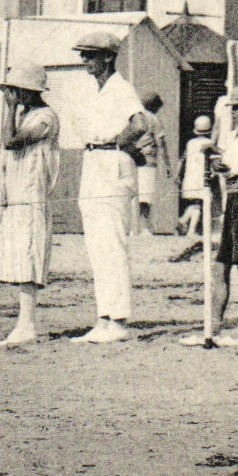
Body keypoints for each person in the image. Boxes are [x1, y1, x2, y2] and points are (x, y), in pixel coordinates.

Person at [0, 64, 61, 346]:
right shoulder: (22, 115)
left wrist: (8, 111)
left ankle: (26, 324)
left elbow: (12, 143)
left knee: (27, 256)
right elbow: (4, 161)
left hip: (30, 196)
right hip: (7, 197)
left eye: (15, 90)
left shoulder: (45, 118)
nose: (12, 96)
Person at [180, 84, 238, 348]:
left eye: (237, 108)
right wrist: (216, 155)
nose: (232, 113)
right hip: (234, 201)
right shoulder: (237, 135)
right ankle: (214, 328)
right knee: (220, 266)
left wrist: (225, 165)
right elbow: (231, 162)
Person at [71, 32, 149, 344]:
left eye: (91, 55)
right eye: (83, 55)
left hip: (112, 162)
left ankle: (118, 319)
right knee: (97, 246)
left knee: (112, 245)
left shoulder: (121, 88)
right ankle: (104, 318)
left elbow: (140, 124)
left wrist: (116, 141)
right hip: (93, 162)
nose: (85, 61)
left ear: (107, 56)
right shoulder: (96, 91)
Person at [177, 115, 218, 238]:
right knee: (199, 203)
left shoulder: (190, 143)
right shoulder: (209, 143)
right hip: (201, 177)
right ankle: (191, 229)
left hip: (190, 177)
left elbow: (182, 159)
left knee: (195, 203)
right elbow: (213, 161)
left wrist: (178, 174)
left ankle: (183, 220)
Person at [137, 92, 170, 233]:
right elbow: (161, 143)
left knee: (134, 195)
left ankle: (134, 228)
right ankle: (145, 227)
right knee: (145, 196)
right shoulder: (154, 120)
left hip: (132, 159)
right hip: (147, 161)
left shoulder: (134, 117)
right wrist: (167, 165)